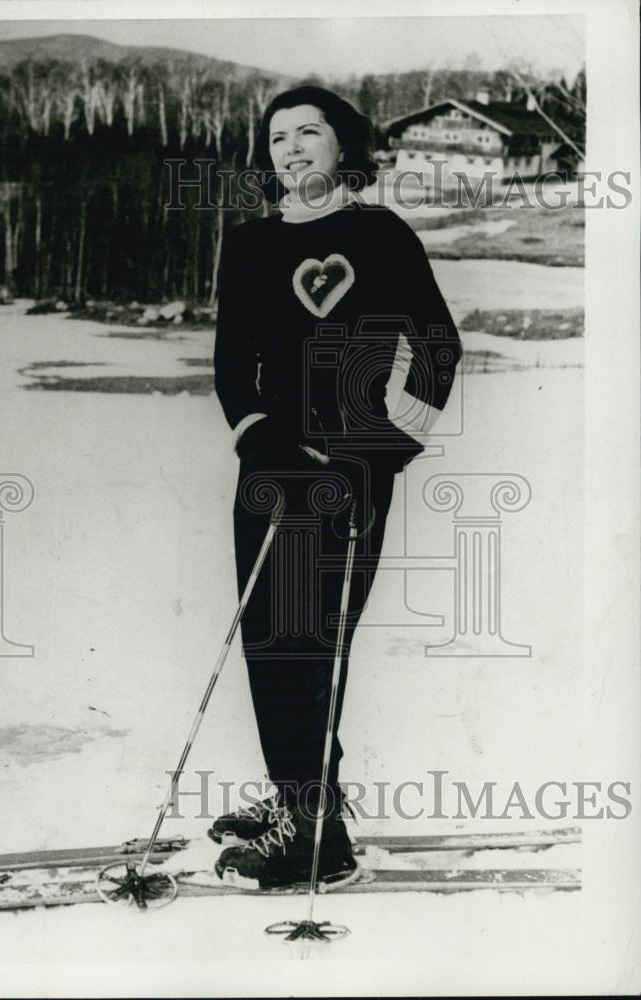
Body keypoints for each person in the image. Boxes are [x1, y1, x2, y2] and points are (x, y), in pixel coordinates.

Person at [211, 86, 461, 889]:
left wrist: (381, 451)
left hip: (347, 474)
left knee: (309, 643)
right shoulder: (248, 244)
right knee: (268, 641)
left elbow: (436, 346)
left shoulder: (380, 235)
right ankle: (301, 798)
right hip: (268, 471)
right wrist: (262, 439)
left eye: (308, 132)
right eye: (277, 136)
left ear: (341, 146)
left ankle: (313, 837)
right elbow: (229, 366)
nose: (290, 148)